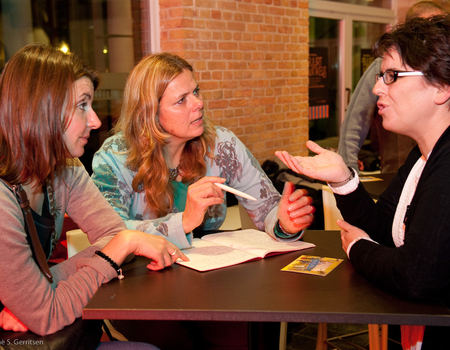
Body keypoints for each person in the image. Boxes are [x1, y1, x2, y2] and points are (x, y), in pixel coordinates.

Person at [91, 52, 314, 349]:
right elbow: (110, 236)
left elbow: (268, 208)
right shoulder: (115, 157)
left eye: (195, 91)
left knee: (245, 335)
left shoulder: (221, 144)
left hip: (211, 282)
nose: (199, 103)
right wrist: (183, 221)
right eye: (181, 100)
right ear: (149, 112)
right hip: (139, 286)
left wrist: (284, 221)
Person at [276, 14, 450, 349]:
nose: (376, 88)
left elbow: (414, 276)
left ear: (441, 87)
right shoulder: (421, 156)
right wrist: (343, 180)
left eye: (391, 76)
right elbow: (384, 229)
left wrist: (357, 248)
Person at [0, 44, 188, 349]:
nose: (96, 122)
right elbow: (49, 314)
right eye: (82, 105)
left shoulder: (65, 169)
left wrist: (41, 292)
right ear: (42, 109)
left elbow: (112, 236)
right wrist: (124, 243)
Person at [338, 1, 445, 174]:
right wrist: (347, 172)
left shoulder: (441, 70)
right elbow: (355, 121)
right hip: (396, 172)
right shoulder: (383, 68)